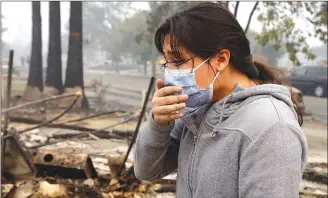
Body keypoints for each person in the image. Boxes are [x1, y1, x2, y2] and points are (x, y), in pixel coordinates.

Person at [134, 2, 308, 198]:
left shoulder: (272, 127)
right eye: (167, 62)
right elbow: (146, 171)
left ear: (221, 59)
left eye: (178, 60)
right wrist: (159, 123)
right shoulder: (195, 111)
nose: (169, 73)